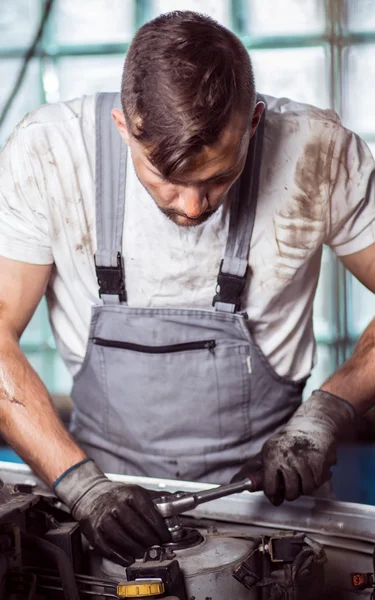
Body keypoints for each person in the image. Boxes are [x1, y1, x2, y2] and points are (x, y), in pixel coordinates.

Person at [0, 10, 374, 566]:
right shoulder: (50, 154)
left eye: (219, 177)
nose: (195, 207)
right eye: (166, 180)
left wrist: (328, 412)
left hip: (270, 507)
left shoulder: (319, 151)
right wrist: (82, 488)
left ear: (253, 122)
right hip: (101, 502)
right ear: (123, 126)